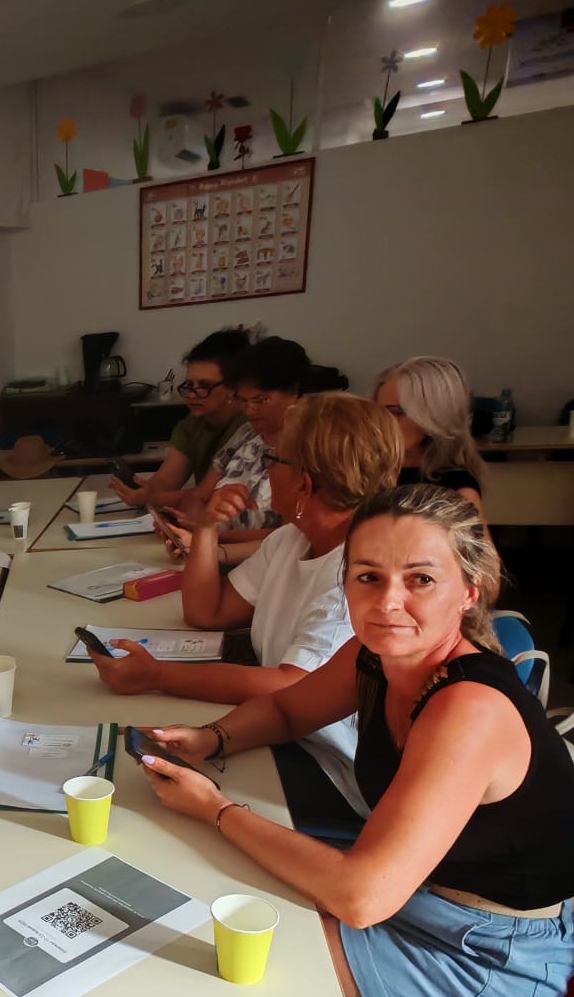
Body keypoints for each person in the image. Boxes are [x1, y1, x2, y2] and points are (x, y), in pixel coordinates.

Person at [137, 484, 574, 997]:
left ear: (468, 592)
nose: (387, 602)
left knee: (230, 960)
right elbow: (287, 709)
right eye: (368, 577)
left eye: (420, 579)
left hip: (490, 957)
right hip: (422, 895)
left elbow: (361, 897)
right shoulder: (376, 656)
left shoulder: (468, 710)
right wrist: (214, 737)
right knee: (221, 913)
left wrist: (216, 809)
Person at [91, 394, 403, 815]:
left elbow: (288, 686)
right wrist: (207, 528)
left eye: (273, 458)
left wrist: (159, 675)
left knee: (138, 795)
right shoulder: (292, 539)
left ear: (305, 485)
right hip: (276, 733)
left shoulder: (355, 573)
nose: (265, 469)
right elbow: (207, 612)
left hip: (330, 769)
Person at [159, 336, 311, 538]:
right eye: (244, 400)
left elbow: (294, 534)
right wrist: (190, 522)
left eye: (261, 400)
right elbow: (199, 495)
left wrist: (207, 535)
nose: (250, 410)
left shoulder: (309, 447)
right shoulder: (247, 433)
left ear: (294, 393)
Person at [109, 328, 250, 511]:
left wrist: (154, 498)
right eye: (189, 385)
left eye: (205, 386)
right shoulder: (192, 425)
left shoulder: (251, 427)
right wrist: (145, 490)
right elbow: (166, 481)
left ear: (234, 387)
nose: (191, 394)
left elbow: (210, 495)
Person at [373, 357, 486, 514]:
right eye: (379, 412)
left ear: (433, 418)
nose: (382, 423)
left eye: (397, 412)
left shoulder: (457, 490)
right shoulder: (366, 473)